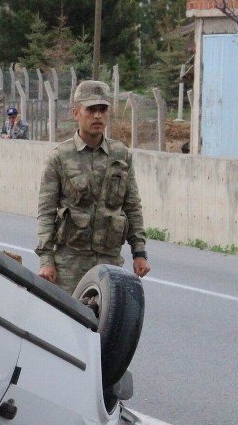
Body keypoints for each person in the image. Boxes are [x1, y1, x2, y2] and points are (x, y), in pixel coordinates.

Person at [35, 80, 151, 295]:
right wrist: (46, 259)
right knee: (67, 321)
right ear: (76, 112)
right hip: (69, 262)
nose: (97, 116)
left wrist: (139, 252)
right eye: (91, 109)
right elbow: (46, 212)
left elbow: (132, 206)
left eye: (102, 109)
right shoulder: (60, 157)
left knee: (105, 321)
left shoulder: (121, 155)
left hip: (109, 260)